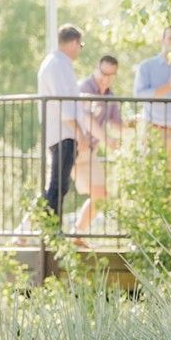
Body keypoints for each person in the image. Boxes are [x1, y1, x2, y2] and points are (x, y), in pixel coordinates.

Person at [34, 24, 90, 223]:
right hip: (63, 132)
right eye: (80, 44)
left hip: (62, 132)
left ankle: (46, 226)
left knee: (59, 184)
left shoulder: (58, 63)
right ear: (74, 42)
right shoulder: (57, 65)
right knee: (59, 184)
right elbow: (64, 103)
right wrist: (80, 133)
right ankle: (50, 229)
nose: (79, 49)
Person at [71, 55, 124, 235]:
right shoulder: (84, 88)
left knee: (101, 196)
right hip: (70, 147)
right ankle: (23, 231)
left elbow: (117, 124)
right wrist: (106, 139)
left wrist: (136, 125)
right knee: (53, 191)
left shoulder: (110, 96)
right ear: (96, 69)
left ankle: (77, 233)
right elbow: (87, 119)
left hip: (89, 152)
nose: (106, 78)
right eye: (103, 73)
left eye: (111, 75)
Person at [133, 26, 171, 191]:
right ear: (162, 41)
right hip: (153, 129)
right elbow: (139, 95)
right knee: (149, 178)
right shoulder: (147, 66)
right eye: (170, 39)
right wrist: (168, 87)